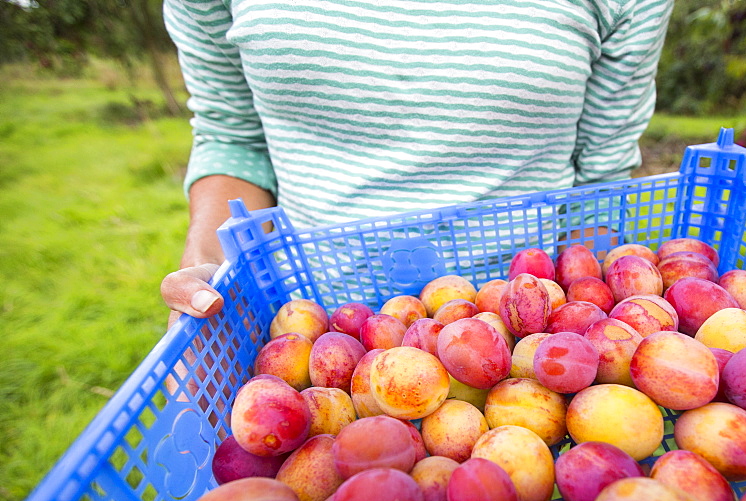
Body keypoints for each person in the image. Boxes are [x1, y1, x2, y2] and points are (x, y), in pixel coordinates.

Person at [160, 0, 675, 325]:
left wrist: (593, 320)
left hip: (525, 333)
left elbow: (600, 178)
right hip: (317, 325)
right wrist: (209, 267)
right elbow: (234, 138)